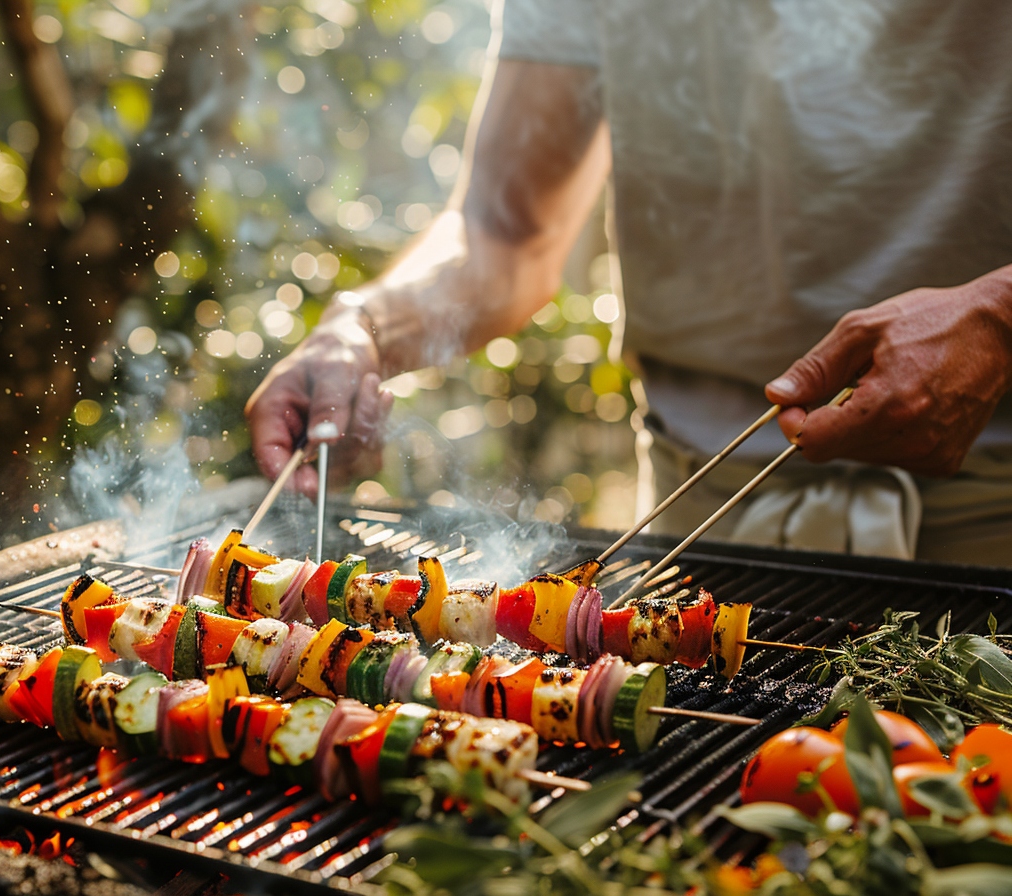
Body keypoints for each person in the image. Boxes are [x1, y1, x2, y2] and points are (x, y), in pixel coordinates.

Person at [246, 1, 1012, 566]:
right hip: (698, 526)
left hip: (990, 518)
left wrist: (998, 316)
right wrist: (362, 326)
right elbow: (503, 234)